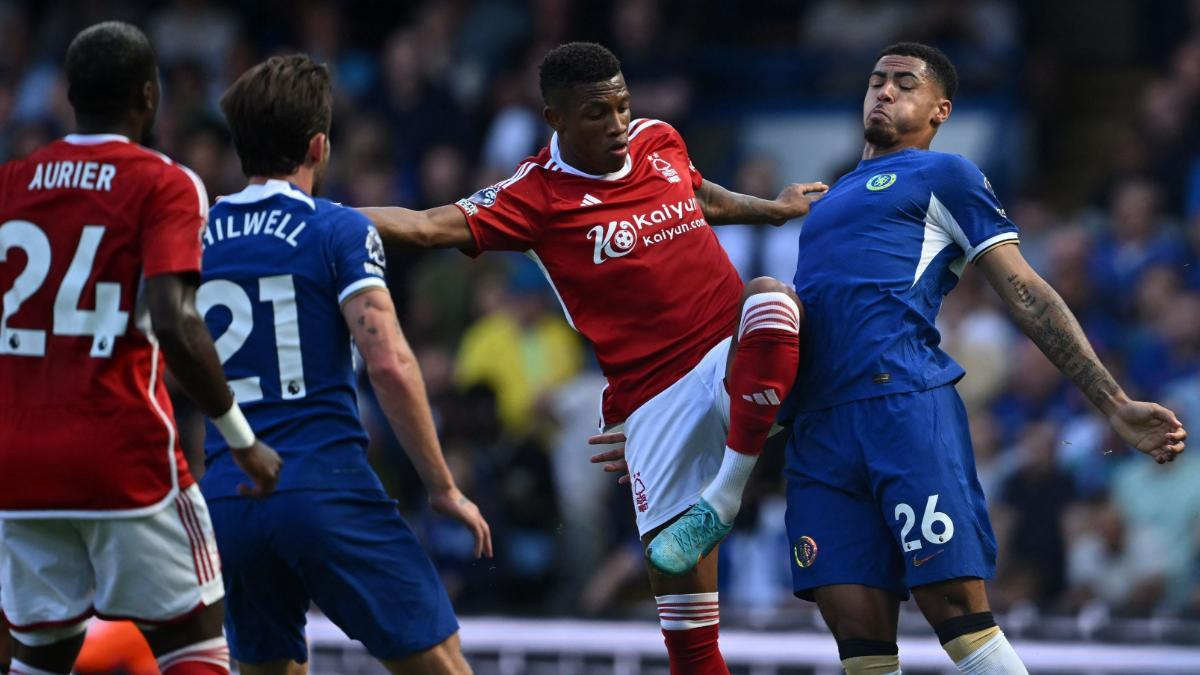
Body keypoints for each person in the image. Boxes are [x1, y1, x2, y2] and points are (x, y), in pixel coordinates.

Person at [361, 41, 825, 675]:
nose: (617, 125)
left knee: (771, 298)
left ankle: (724, 495)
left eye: (623, 106)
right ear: (555, 117)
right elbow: (424, 224)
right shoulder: (535, 197)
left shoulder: (658, 138)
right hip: (654, 400)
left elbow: (695, 193)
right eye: (597, 114)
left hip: (731, 356)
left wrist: (770, 211)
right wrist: (313, 218)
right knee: (690, 640)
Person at [778, 42, 1188, 675]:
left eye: (904, 83)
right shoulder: (821, 202)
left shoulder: (947, 176)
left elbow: (1025, 290)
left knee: (957, 613)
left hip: (903, 407)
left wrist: (1112, 402)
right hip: (818, 430)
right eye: (876, 80)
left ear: (939, 110)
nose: (883, 91)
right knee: (855, 630)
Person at [0, 21, 281, 675]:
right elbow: (176, 320)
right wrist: (241, 438)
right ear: (148, 97)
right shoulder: (163, 183)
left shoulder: (10, 183)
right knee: (196, 638)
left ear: (70, 96)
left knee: (43, 651)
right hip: (121, 454)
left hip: (16, 464)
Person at [202, 54, 492, 675]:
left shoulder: (193, 231)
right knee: (441, 663)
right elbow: (387, 364)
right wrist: (442, 487)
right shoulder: (336, 228)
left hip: (226, 493)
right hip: (321, 484)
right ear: (319, 145)